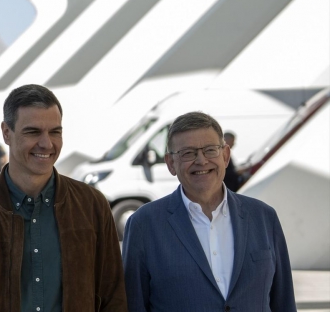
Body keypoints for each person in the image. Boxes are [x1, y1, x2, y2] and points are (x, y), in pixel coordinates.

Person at [0, 84, 126, 311]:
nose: (47, 143)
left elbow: (113, 297)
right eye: (33, 132)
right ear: (6, 133)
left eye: (55, 131)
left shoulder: (92, 206)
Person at [122, 112, 296, 312]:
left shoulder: (264, 217)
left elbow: (284, 303)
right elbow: (134, 305)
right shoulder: (144, 224)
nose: (201, 160)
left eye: (210, 150)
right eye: (188, 153)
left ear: (225, 155)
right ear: (170, 163)